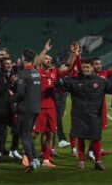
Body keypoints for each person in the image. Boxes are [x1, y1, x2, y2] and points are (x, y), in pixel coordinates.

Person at [55, 58, 112, 170]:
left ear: (92, 68)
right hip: (79, 115)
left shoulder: (101, 81)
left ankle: (98, 161)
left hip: (94, 115)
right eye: (84, 67)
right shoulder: (75, 80)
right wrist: (59, 82)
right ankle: (81, 161)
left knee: (96, 138)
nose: (85, 69)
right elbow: (61, 83)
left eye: (88, 67)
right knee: (81, 138)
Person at [32, 39, 75, 167]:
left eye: (50, 59)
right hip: (39, 107)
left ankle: (46, 159)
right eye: (46, 59)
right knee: (34, 134)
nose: (49, 60)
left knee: (50, 133)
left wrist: (72, 53)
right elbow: (34, 64)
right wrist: (45, 50)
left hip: (52, 107)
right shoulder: (37, 73)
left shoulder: (54, 72)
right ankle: (27, 153)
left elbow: (68, 66)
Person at [14, 49, 41, 172]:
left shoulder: (23, 73)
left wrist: (14, 100)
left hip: (26, 108)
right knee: (29, 134)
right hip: (35, 108)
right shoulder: (36, 72)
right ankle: (35, 159)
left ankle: (30, 162)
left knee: (24, 135)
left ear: (23, 58)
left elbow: (20, 93)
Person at [0, 57, 21, 160]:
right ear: (1, 65)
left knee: (16, 130)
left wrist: (15, 83)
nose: (9, 65)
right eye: (6, 64)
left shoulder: (12, 76)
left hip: (11, 109)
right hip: (0, 108)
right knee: (0, 132)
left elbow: (16, 91)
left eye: (10, 63)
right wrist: (10, 82)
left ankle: (14, 150)